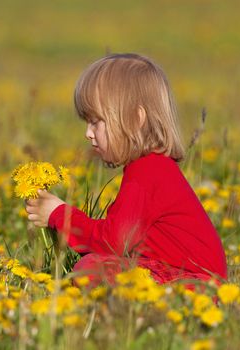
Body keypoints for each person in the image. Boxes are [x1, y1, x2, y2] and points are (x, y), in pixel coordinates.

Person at [25, 53, 227, 287]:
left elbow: (112, 242)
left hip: (192, 287)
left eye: (96, 121)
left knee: (91, 268)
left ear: (135, 118)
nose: (88, 133)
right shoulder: (152, 167)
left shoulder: (148, 172)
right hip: (189, 281)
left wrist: (58, 215)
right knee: (99, 265)